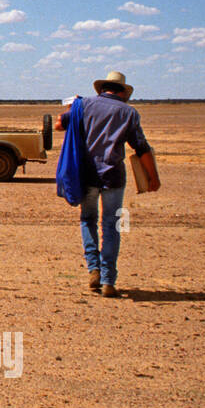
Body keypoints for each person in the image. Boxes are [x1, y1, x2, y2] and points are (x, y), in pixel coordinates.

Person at [54, 71, 159, 297]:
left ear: (102, 89)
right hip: (113, 177)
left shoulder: (84, 106)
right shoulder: (129, 112)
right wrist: (153, 177)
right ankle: (109, 280)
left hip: (87, 175)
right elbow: (141, 148)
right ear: (121, 91)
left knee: (88, 220)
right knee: (111, 226)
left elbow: (58, 125)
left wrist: (73, 109)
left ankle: (94, 269)